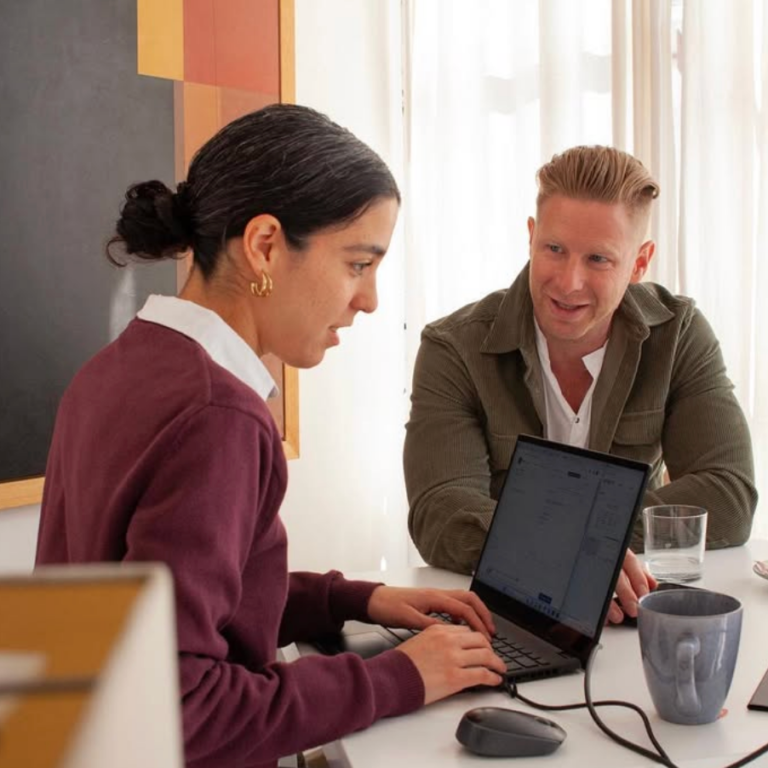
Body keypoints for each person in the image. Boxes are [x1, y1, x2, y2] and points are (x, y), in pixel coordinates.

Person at [36, 104, 507, 768]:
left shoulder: (114, 370)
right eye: (356, 264)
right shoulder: (217, 416)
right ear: (263, 246)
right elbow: (183, 706)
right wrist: (401, 676)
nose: (369, 299)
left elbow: (158, 605)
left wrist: (354, 599)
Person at [404, 145, 757, 622]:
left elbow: (728, 497)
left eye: (598, 259)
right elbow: (441, 516)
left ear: (639, 262)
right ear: (531, 238)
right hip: (501, 615)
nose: (569, 282)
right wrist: (580, 551)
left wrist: (560, 544)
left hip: (628, 613)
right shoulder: (454, 347)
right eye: (554, 249)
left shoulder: (679, 335)